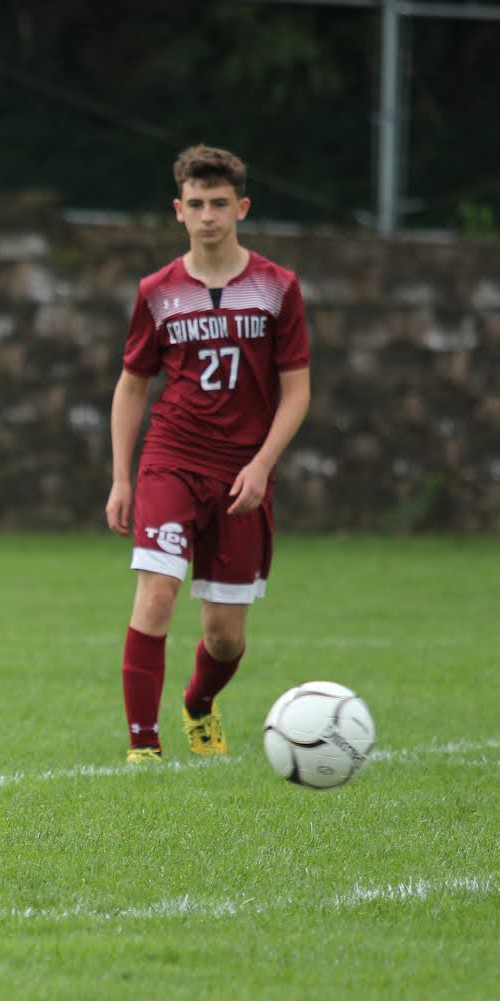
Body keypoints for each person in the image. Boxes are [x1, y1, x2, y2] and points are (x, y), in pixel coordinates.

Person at [106, 144, 311, 763]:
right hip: (171, 457)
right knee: (159, 593)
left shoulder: (277, 289)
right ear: (178, 211)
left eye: (219, 204)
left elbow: (297, 391)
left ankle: (198, 705)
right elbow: (133, 383)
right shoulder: (158, 292)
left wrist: (261, 464)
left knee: (224, 637)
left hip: (242, 472)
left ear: (241, 207)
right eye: (195, 204)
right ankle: (144, 747)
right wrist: (121, 478)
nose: (208, 216)